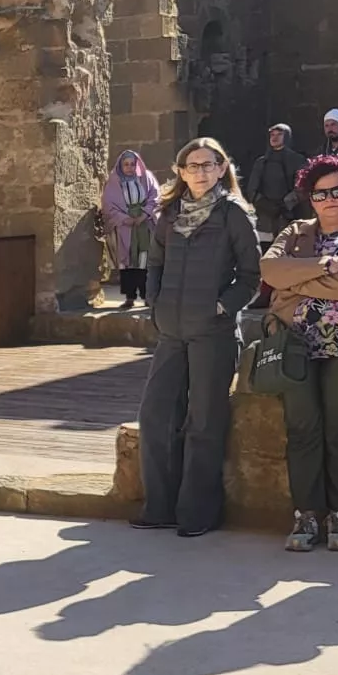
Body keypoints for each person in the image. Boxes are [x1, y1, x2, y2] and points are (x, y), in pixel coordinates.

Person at [130, 137, 262, 538]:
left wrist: (222, 307)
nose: (200, 172)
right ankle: (159, 507)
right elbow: (154, 263)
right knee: (156, 416)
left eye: (208, 165)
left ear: (222, 169)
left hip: (213, 333)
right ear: (180, 171)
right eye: (192, 165)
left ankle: (197, 513)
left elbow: (252, 276)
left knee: (203, 422)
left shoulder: (233, 214)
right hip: (171, 331)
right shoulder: (169, 214)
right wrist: (156, 304)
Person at [259, 154, 338, 554]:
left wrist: (300, 281)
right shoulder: (296, 232)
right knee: (301, 431)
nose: (330, 199)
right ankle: (306, 513)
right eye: (320, 193)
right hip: (296, 346)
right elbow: (270, 272)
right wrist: (327, 265)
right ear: (309, 198)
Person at [100, 150, 160, 310]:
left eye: (132, 164)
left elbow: (155, 197)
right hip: (124, 228)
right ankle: (129, 297)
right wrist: (124, 218)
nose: (129, 167)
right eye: (126, 164)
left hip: (143, 225)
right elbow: (108, 205)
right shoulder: (114, 181)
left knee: (144, 261)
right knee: (127, 263)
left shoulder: (146, 178)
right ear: (120, 165)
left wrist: (144, 214)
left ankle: (147, 296)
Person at [244, 125, 308, 246]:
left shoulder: (298, 160)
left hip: (290, 215)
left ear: (287, 137)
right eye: (272, 134)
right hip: (265, 217)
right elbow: (252, 188)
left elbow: (303, 186)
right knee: (265, 250)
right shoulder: (261, 162)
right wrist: (264, 204)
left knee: (288, 249)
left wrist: (286, 203)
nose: (275, 137)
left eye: (279, 134)